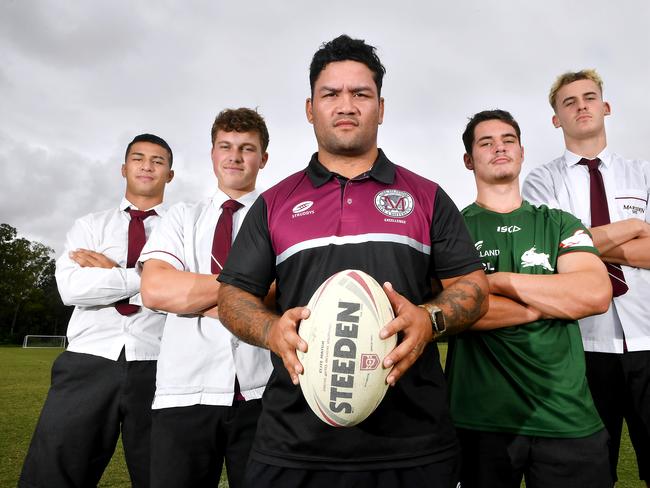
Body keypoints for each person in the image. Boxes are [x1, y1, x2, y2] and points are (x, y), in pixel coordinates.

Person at [216, 34, 488, 488]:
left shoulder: (426, 196)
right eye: (331, 94)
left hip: (413, 444)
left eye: (360, 94)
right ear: (310, 108)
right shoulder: (275, 203)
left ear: (380, 107)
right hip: (293, 445)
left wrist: (430, 319)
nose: (346, 105)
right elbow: (232, 295)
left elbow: (473, 288)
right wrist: (269, 329)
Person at [446, 109, 612, 487]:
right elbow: (458, 310)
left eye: (507, 140)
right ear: (469, 160)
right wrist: (555, 301)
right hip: (479, 420)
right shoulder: (451, 229)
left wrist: (495, 281)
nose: (499, 147)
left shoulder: (561, 223)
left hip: (567, 417)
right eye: (485, 142)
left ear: (522, 152)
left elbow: (594, 295)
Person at [19, 134, 174, 488]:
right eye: (138, 158)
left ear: (170, 174)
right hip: (87, 360)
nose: (147, 165)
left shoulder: (182, 227)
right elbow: (71, 288)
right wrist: (149, 277)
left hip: (159, 363)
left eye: (158, 160)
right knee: (52, 474)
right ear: (124, 168)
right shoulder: (90, 225)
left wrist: (109, 273)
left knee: (163, 476)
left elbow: (190, 289)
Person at [522, 70, 650, 486]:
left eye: (589, 97)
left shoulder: (643, 175)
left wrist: (580, 242)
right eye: (569, 101)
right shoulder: (543, 181)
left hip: (648, 339)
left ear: (605, 107)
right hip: (583, 346)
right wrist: (633, 227)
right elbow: (549, 252)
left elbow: (569, 244)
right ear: (556, 118)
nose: (581, 106)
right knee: (593, 472)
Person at [139, 108, 273, 488]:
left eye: (247, 148)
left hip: (261, 392)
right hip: (184, 393)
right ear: (212, 153)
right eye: (225, 146)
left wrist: (194, 292)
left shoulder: (277, 219)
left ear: (262, 159)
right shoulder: (181, 217)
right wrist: (248, 289)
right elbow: (156, 290)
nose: (235, 156)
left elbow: (285, 295)